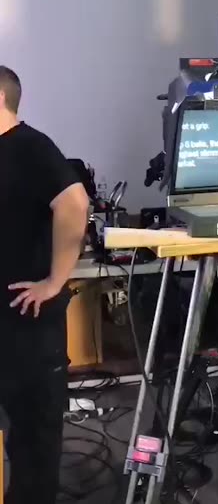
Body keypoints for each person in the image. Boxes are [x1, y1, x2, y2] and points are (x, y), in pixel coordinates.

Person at [0, 66, 89, 504]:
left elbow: (75, 202)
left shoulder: (31, 147)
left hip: (27, 323)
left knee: (33, 440)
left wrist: (55, 280)